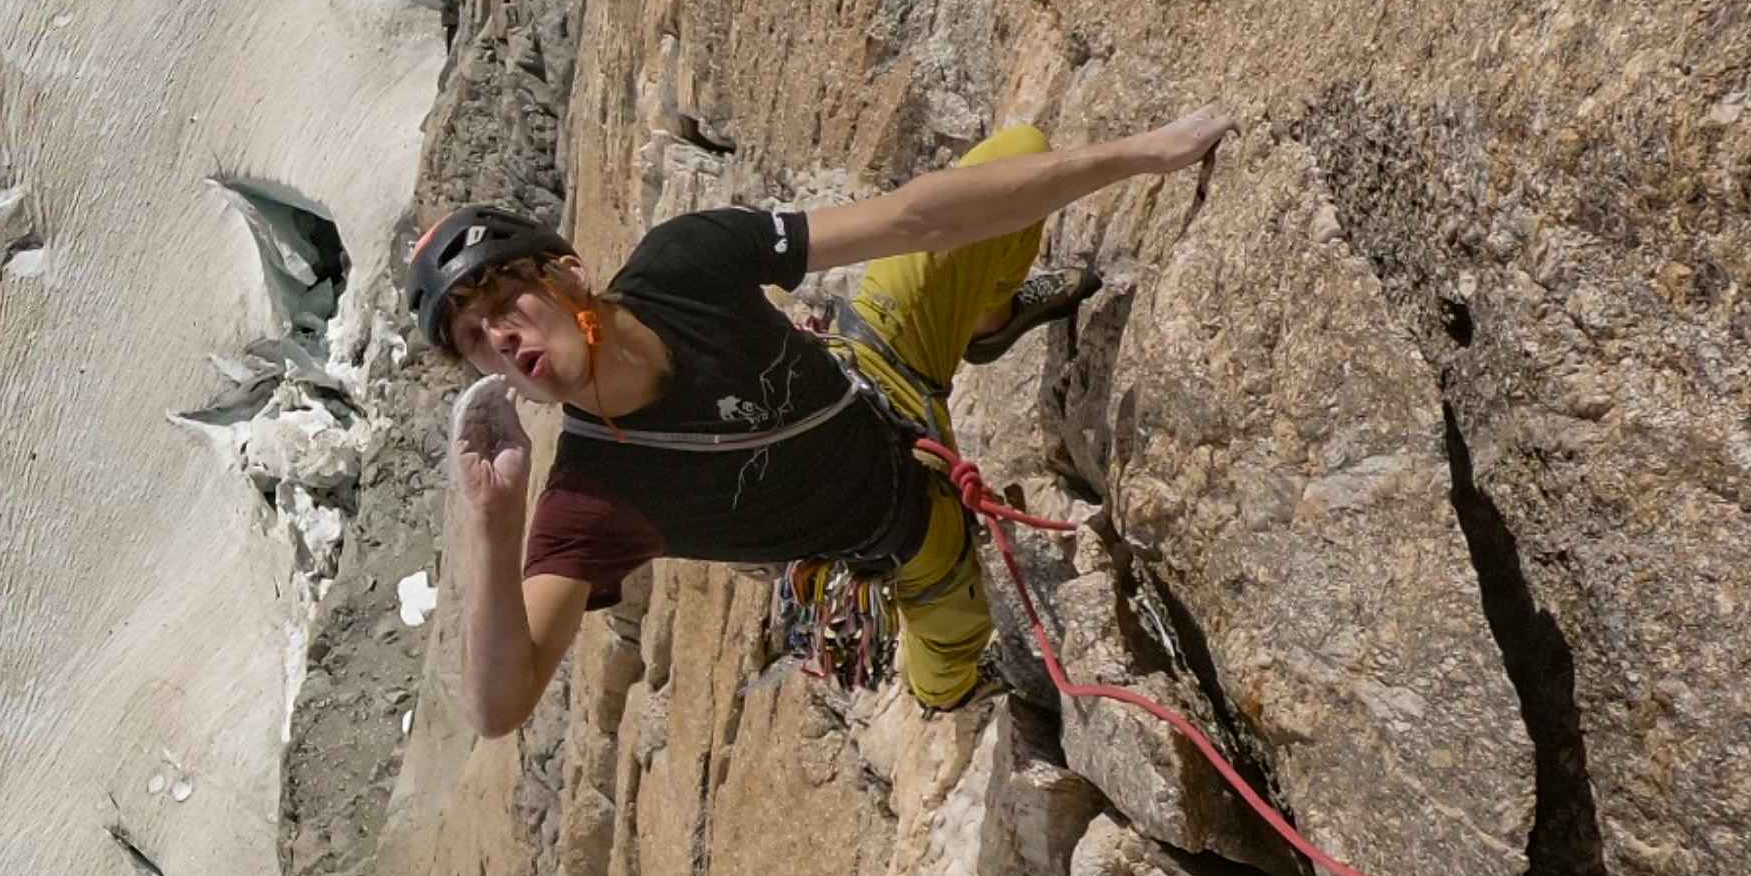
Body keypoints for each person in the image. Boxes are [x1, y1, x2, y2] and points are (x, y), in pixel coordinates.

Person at [417, 112, 1234, 732]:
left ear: (570, 272)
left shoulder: (685, 263)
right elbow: (501, 705)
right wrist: (495, 521)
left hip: (883, 375)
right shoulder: (592, 503)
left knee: (1018, 151)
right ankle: (945, 689)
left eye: (501, 296)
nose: (499, 335)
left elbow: (916, 217)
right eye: (473, 339)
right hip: (906, 538)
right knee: (949, 663)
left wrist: (1137, 156)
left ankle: (986, 318)